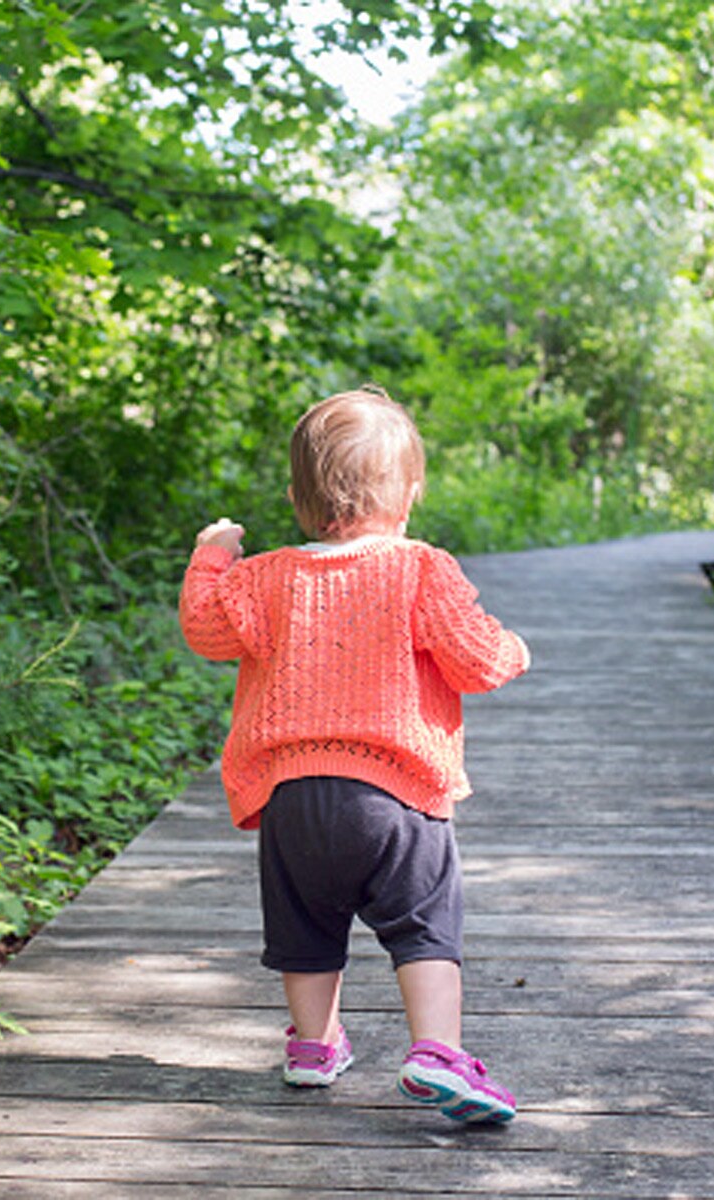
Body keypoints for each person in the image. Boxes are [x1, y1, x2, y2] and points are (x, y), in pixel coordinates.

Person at [178, 385, 530, 1124]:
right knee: (424, 925)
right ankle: (436, 1051)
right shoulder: (421, 569)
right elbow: (474, 659)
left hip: (292, 798)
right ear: (412, 491)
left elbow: (206, 630)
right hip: (396, 794)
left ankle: (313, 1047)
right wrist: (514, 650)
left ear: (296, 497)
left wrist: (212, 555)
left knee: (306, 929)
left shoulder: (263, 577)